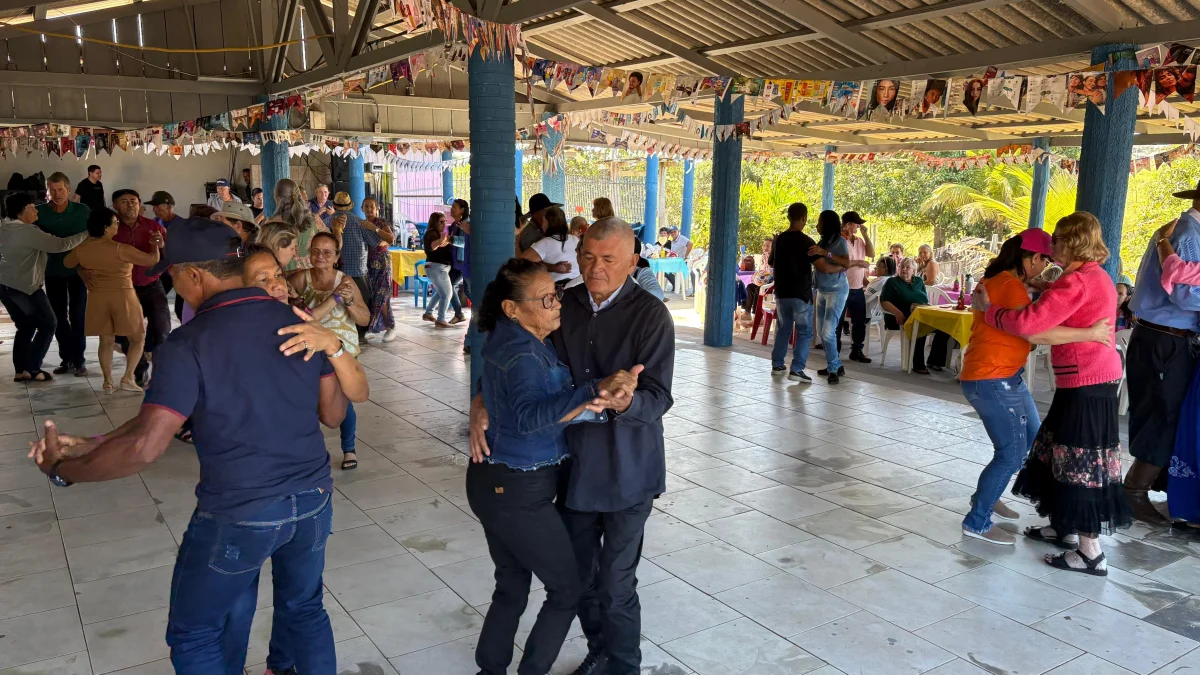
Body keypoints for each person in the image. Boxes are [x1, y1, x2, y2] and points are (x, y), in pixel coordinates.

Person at [28, 217, 368, 675]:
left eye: (172, 276)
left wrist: (62, 471)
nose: (175, 287)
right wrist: (96, 442)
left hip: (241, 510)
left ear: (194, 275)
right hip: (313, 501)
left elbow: (147, 446)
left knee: (195, 632)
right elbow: (333, 414)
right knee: (305, 608)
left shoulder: (188, 343)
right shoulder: (299, 323)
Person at [470, 217, 673, 675]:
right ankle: (599, 650)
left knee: (616, 584)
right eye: (588, 257)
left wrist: (627, 400)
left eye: (608, 260)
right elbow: (512, 355)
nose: (595, 268)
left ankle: (623, 667)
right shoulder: (563, 303)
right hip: (572, 470)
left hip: (627, 469)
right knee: (580, 581)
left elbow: (659, 397)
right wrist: (481, 401)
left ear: (633, 262)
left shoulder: (651, 315)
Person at [973, 212, 1131, 574]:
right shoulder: (1089, 276)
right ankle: (1063, 528)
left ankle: (1090, 553)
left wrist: (989, 311)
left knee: (1081, 462)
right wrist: (1043, 288)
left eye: (1056, 239)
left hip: (1088, 382)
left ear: (1072, 242)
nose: (1051, 246)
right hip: (1086, 380)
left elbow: (1030, 325)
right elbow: (1066, 306)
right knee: (1058, 452)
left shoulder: (1077, 282)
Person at [1126, 180, 1200, 525]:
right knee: (1164, 414)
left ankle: (1154, 483)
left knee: (1161, 411)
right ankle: (1133, 491)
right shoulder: (1188, 235)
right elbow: (1184, 295)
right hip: (1165, 337)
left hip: (1162, 336)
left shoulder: (1178, 231)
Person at [289, 231, 369, 473]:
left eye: (327, 252)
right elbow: (299, 314)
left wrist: (350, 301)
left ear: (336, 256)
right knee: (310, 400)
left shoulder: (345, 281)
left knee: (344, 398)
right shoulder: (301, 279)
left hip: (344, 348)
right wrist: (334, 299)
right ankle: (310, 451)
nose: (320, 256)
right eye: (315, 251)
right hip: (311, 349)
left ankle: (349, 448)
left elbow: (364, 319)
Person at [65, 207, 161, 394]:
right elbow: (152, 260)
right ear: (105, 227)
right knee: (138, 338)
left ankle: (108, 382)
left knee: (105, 340)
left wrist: (82, 270)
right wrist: (154, 245)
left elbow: (67, 263)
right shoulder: (120, 248)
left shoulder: (82, 248)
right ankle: (128, 378)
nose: (117, 226)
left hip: (97, 297)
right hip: (123, 296)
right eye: (115, 223)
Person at [0, 193, 88, 382]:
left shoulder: (3, 226)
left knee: (25, 326)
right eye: (32, 207)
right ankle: (32, 368)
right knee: (49, 323)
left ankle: (20, 370)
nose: (36, 211)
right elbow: (61, 245)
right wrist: (87, 233)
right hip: (25, 287)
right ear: (22, 211)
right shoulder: (27, 231)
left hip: (5, 286)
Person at [110, 189, 169, 387]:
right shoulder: (111, 228)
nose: (130, 205)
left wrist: (161, 245)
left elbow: (168, 253)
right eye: (124, 201)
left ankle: (160, 373)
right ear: (115, 206)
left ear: (140, 204)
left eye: (133, 201)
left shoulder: (153, 226)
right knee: (129, 333)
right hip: (124, 288)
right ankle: (139, 370)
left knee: (162, 329)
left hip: (152, 285)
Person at [37, 172, 91, 377]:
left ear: (68, 190)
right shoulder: (40, 212)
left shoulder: (82, 210)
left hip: (79, 271)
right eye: (52, 190)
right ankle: (66, 358)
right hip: (52, 271)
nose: (57, 194)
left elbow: (93, 236)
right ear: (47, 192)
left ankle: (79, 360)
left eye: (60, 189)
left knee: (77, 316)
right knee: (58, 317)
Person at [769, 203, 819, 381]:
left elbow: (771, 262)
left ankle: (777, 365)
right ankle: (797, 369)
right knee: (804, 332)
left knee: (783, 329)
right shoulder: (807, 241)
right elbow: (820, 264)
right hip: (801, 293)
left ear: (788, 217)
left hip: (782, 292)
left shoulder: (779, 239)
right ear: (804, 218)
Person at [327, 192, 386, 342]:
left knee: (337, 303)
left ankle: (341, 332)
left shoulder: (326, 222)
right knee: (362, 303)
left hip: (335, 272)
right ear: (349, 206)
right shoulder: (360, 222)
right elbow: (376, 243)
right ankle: (360, 334)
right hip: (358, 270)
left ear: (334, 205)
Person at [879, 258, 951, 375]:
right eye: (902, 267)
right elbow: (884, 302)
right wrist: (897, 312)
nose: (904, 269)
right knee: (920, 325)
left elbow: (924, 300)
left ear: (914, 270)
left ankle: (934, 361)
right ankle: (918, 364)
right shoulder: (892, 282)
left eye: (907, 267)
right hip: (898, 317)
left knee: (944, 327)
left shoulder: (918, 281)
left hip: (920, 313)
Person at [811, 210, 856, 383]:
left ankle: (833, 371)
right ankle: (835, 364)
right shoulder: (823, 241)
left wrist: (826, 254)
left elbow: (846, 262)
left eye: (820, 222)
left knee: (828, 332)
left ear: (828, 224)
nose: (817, 225)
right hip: (822, 291)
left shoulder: (840, 242)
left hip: (837, 291)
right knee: (822, 332)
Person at [841, 211, 875, 363]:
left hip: (858, 287)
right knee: (838, 321)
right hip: (842, 287)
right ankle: (835, 352)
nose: (859, 226)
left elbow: (871, 253)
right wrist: (859, 263)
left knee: (859, 321)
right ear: (848, 224)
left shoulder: (860, 241)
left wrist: (866, 235)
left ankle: (857, 350)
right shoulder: (840, 240)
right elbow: (840, 262)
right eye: (857, 224)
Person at [362, 197, 397, 341]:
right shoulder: (362, 223)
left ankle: (389, 327)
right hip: (368, 263)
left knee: (382, 294)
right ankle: (377, 326)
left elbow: (391, 239)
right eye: (366, 207)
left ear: (377, 209)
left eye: (372, 207)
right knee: (373, 295)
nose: (369, 209)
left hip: (382, 262)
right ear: (362, 208)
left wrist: (374, 229)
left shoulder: (381, 222)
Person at [272, 178, 325, 272]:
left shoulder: (270, 226)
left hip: (283, 276)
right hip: (310, 276)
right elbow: (333, 245)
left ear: (278, 199)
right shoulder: (315, 220)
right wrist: (337, 229)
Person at [524, 206, 580, 286]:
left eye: (543, 221)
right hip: (578, 284)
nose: (542, 223)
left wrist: (552, 268)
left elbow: (522, 261)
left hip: (558, 288)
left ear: (548, 223)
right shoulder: (575, 239)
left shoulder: (546, 243)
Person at [423, 211, 456, 328]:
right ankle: (441, 319)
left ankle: (428, 313)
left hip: (437, 267)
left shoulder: (438, 233)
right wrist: (440, 241)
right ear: (434, 222)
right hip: (437, 267)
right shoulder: (432, 233)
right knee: (447, 294)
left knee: (441, 292)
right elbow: (432, 245)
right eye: (441, 222)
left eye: (445, 221)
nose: (444, 224)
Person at [744, 237, 773, 314]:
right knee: (750, 287)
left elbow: (771, 272)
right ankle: (747, 312)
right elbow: (761, 270)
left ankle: (756, 313)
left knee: (758, 289)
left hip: (770, 284)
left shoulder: (774, 258)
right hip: (762, 281)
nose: (765, 247)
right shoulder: (763, 257)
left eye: (768, 246)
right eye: (764, 245)